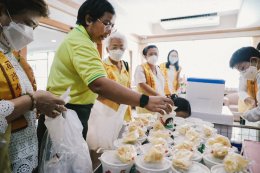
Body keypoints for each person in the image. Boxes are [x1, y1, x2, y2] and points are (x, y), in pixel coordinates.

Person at [37, 0, 173, 148]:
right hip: (66, 111)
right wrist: (145, 101)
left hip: (77, 110)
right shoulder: (80, 42)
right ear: (89, 20)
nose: (109, 30)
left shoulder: (82, 40)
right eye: (107, 23)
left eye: (112, 26)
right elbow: (99, 85)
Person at [0, 0, 66, 172]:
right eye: (27, 23)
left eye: (34, 28)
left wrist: (38, 105)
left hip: (23, 151)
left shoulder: (11, 54)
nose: (30, 34)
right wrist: (33, 101)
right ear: (2, 11)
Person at [98, 32, 132, 121]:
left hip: (125, 113)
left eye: (121, 47)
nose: (118, 50)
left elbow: (128, 87)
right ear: (107, 49)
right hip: (109, 113)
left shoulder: (126, 65)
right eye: (114, 47)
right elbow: (99, 91)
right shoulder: (101, 65)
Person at [229, 46, 260, 122]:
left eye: (242, 68)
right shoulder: (247, 74)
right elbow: (241, 91)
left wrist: (246, 115)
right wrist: (250, 101)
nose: (242, 73)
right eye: (239, 71)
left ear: (254, 60)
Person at [134, 45, 165, 113]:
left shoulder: (159, 69)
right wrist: (159, 96)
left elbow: (161, 86)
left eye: (155, 54)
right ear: (145, 56)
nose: (153, 56)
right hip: (146, 104)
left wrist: (164, 97)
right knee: (146, 122)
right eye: (150, 54)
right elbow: (142, 85)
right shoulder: (140, 68)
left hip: (159, 103)